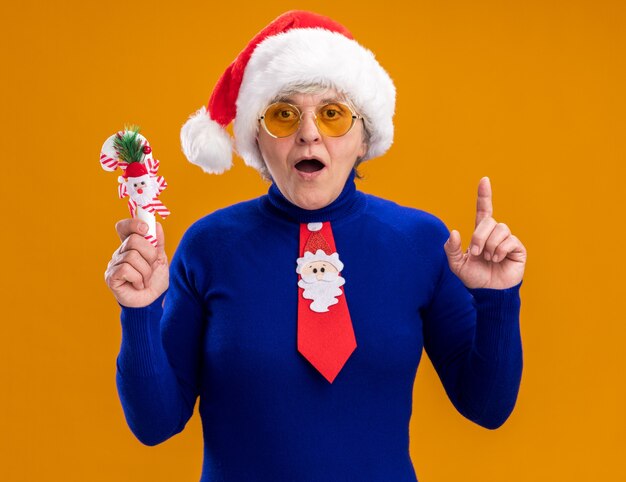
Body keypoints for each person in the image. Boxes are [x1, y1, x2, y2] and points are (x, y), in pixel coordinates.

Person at [104, 10, 526, 481]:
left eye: (333, 114)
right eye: (284, 115)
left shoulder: (423, 243)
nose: (309, 132)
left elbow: (487, 407)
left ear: (365, 137)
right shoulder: (208, 247)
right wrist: (139, 311)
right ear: (255, 139)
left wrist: (497, 300)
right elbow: (155, 424)